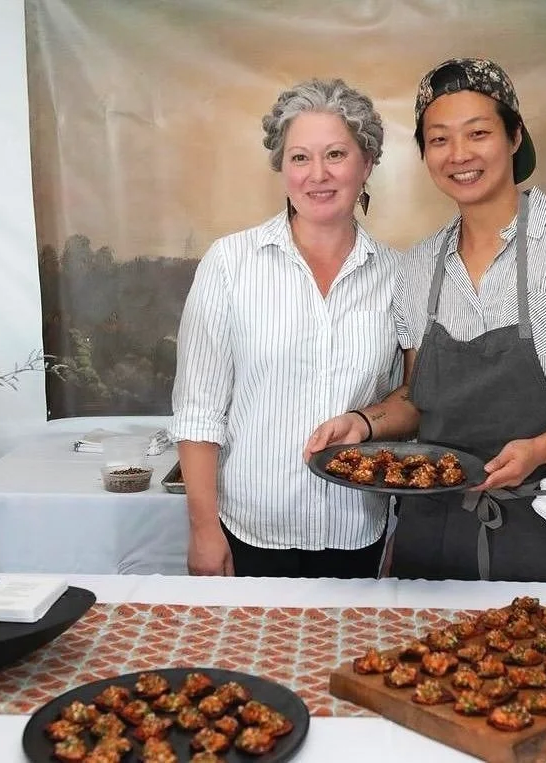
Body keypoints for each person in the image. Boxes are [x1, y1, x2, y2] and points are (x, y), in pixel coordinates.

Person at [305, 58, 546, 583]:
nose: (460, 155)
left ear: (514, 136)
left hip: (539, 522)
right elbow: (416, 398)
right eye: (439, 139)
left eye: (478, 133)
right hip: (428, 529)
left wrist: (542, 448)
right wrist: (364, 422)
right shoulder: (420, 265)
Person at [171, 78, 401, 579]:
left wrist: (364, 420)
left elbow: (410, 400)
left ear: (367, 163)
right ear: (281, 168)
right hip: (249, 532)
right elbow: (198, 410)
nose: (318, 174)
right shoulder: (229, 263)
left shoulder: (399, 275)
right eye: (300, 157)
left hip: (358, 531)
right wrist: (204, 531)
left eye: (336, 154)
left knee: (353, 660)